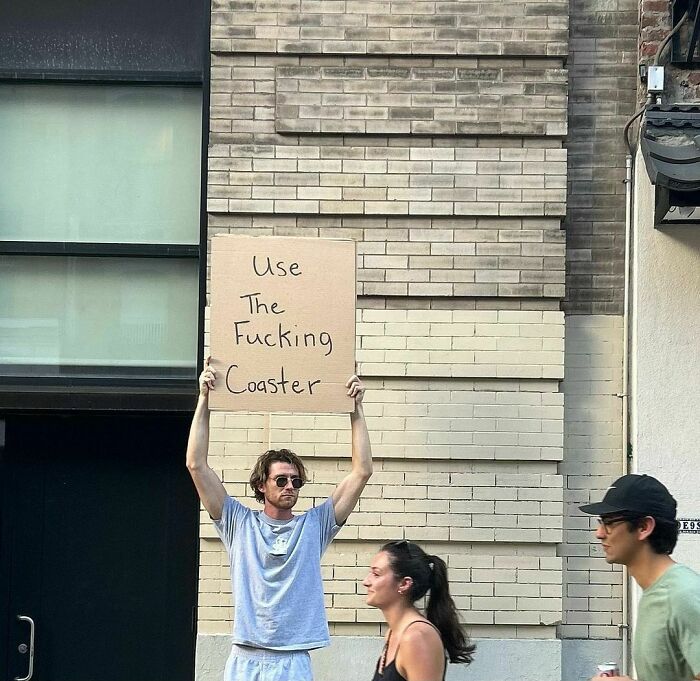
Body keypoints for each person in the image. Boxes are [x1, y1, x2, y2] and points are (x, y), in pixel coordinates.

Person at [186, 359, 373, 681]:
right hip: (246, 655)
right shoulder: (238, 522)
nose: (290, 486)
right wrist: (204, 400)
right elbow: (195, 465)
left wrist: (355, 408)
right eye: (282, 480)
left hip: (293, 657)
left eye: (296, 481)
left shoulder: (314, 526)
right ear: (261, 484)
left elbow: (362, 471)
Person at [580, 474, 700, 681]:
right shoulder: (656, 592)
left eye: (609, 522)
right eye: (601, 522)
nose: (599, 533)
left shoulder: (683, 595)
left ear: (644, 527)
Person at [363, 539, 475, 681]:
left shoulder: (417, 637)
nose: (366, 581)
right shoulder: (393, 633)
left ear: (404, 584)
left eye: (376, 574)